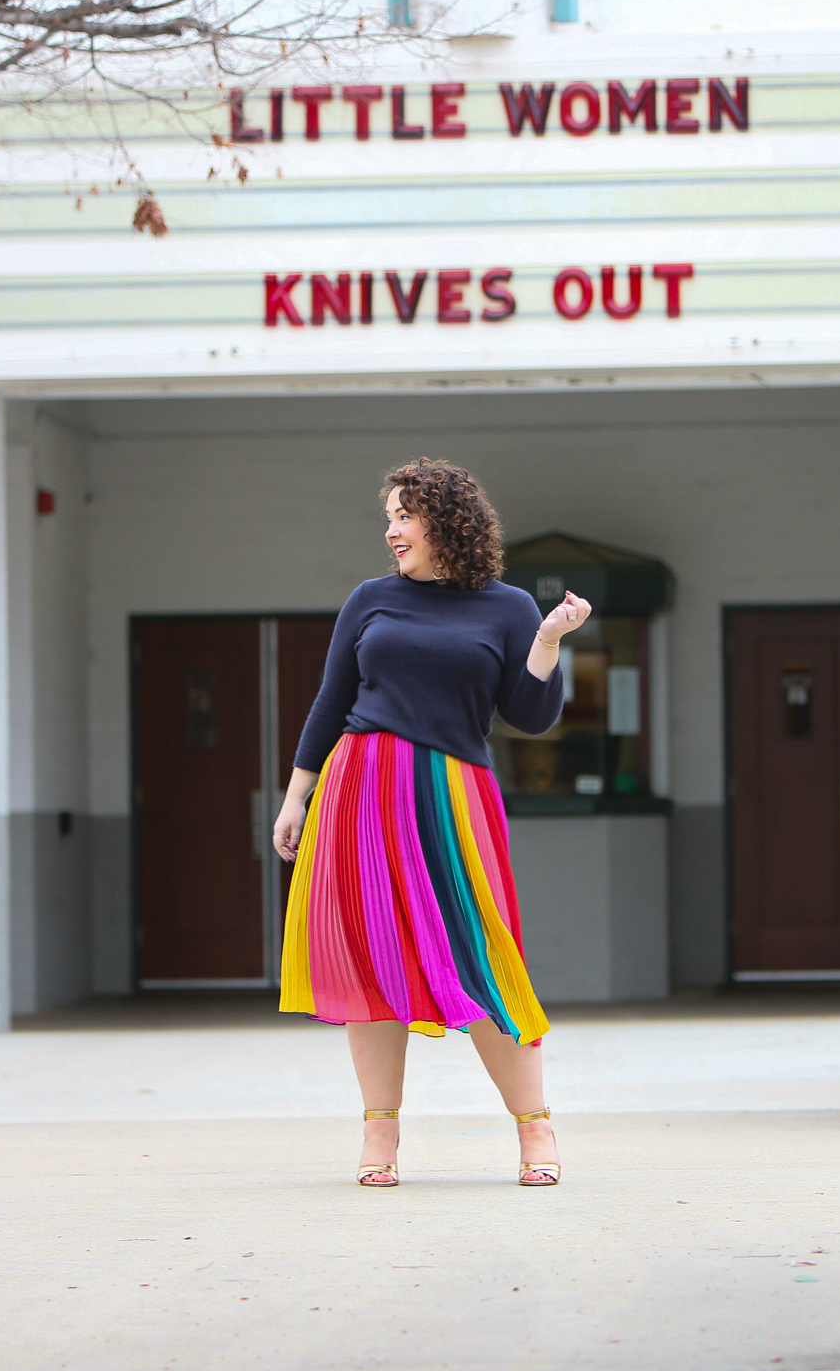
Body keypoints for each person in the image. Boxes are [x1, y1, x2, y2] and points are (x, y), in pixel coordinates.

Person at [273, 458, 592, 1188]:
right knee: (372, 961)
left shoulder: (507, 607)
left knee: (482, 956)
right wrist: (296, 797)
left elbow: (530, 716)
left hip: (451, 797)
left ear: (446, 521)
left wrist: (547, 640)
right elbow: (331, 700)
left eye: (403, 515)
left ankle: (534, 1126)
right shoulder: (369, 600)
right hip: (359, 787)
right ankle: (378, 1137)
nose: (390, 531)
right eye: (388, 516)